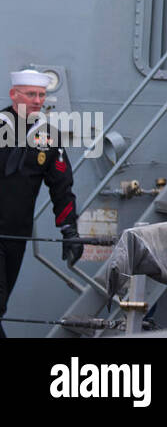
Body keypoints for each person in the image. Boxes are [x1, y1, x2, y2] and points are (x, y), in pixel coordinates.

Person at [1, 69, 80, 338]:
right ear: (14, 94)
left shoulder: (48, 137)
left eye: (42, 95)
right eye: (31, 94)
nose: (37, 100)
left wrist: (70, 230)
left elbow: (62, 187)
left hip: (15, 234)